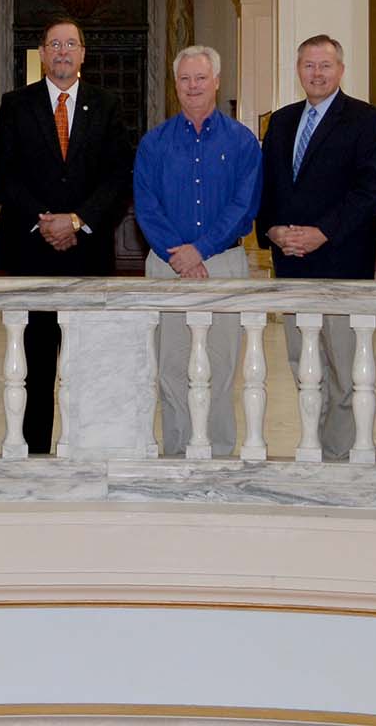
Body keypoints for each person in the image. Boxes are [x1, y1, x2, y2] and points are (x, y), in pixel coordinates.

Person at [0, 17, 134, 454]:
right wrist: (44, 219)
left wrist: (75, 220)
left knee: (87, 362)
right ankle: (35, 452)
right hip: (30, 252)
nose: (63, 52)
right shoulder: (17, 104)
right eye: (55, 44)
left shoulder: (107, 104)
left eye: (71, 44)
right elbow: (2, 175)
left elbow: (117, 176)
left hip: (87, 253)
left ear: (83, 53)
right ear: (43, 53)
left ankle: (84, 448)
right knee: (34, 365)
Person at [256, 35, 376, 461]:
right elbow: (269, 186)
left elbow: (371, 190)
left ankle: (342, 454)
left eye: (325, 66)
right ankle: (312, 446)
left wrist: (322, 233)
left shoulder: (367, 120)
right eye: (309, 66)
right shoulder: (280, 121)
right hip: (291, 263)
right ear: (298, 70)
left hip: (342, 260)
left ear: (340, 70)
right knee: (302, 364)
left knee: (345, 369)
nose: (317, 73)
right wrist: (272, 230)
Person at [134, 45, 262, 458]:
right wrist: (180, 254)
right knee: (171, 368)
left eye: (200, 78)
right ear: (176, 85)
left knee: (221, 368)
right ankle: (175, 452)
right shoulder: (154, 143)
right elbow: (146, 206)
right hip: (166, 264)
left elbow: (245, 206)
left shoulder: (242, 141)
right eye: (185, 79)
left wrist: (201, 250)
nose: (193, 86)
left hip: (222, 264)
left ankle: (220, 453)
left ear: (217, 81)